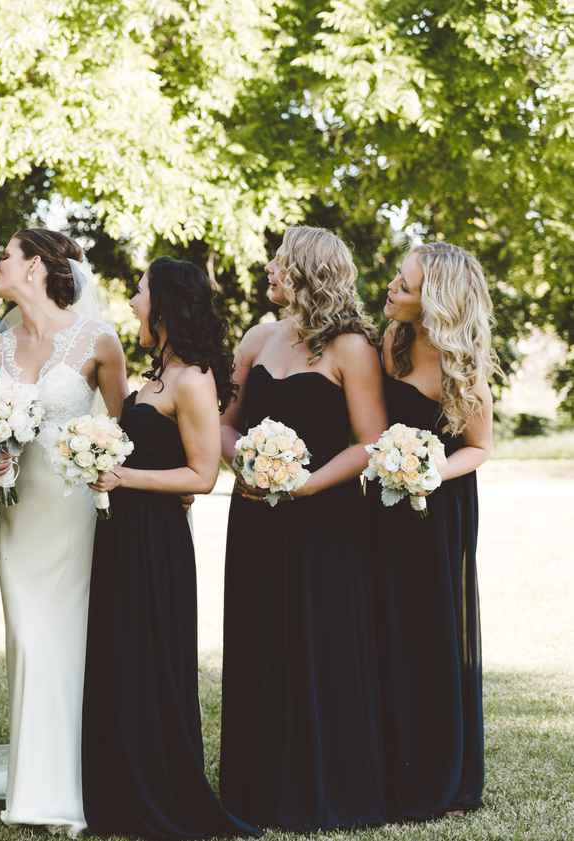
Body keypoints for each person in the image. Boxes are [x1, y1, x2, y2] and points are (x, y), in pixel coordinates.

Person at [218, 225, 388, 832]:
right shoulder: (258, 338)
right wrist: (244, 462)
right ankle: (254, 787)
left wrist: (305, 484)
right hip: (255, 515)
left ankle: (325, 784)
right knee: (258, 638)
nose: (269, 267)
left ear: (310, 272)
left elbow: (370, 442)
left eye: (281, 261)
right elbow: (224, 423)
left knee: (320, 641)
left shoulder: (351, 348)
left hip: (326, 520)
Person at [82, 257, 259, 840]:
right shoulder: (156, 373)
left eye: (139, 292)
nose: (132, 302)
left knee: (151, 662)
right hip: (121, 538)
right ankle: (117, 790)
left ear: (165, 305)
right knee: (119, 660)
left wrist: (123, 478)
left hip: (157, 546)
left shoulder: (193, 379)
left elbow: (203, 475)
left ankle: (158, 794)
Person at [0, 228, 127, 836]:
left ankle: (66, 786)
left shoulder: (98, 339)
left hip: (74, 510)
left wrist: (102, 463)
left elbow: (125, 428)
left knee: (66, 640)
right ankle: (31, 783)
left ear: (36, 267)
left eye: (6, 256)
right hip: (20, 511)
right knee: (28, 636)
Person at [374, 242, 496, 821]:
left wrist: (429, 470)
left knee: (432, 629)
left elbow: (479, 448)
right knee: (385, 625)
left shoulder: (463, 368)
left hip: (439, 512)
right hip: (381, 509)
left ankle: (438, 769)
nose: (392, 289)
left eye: (405, 284)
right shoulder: (389, 345)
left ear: (437, 300)